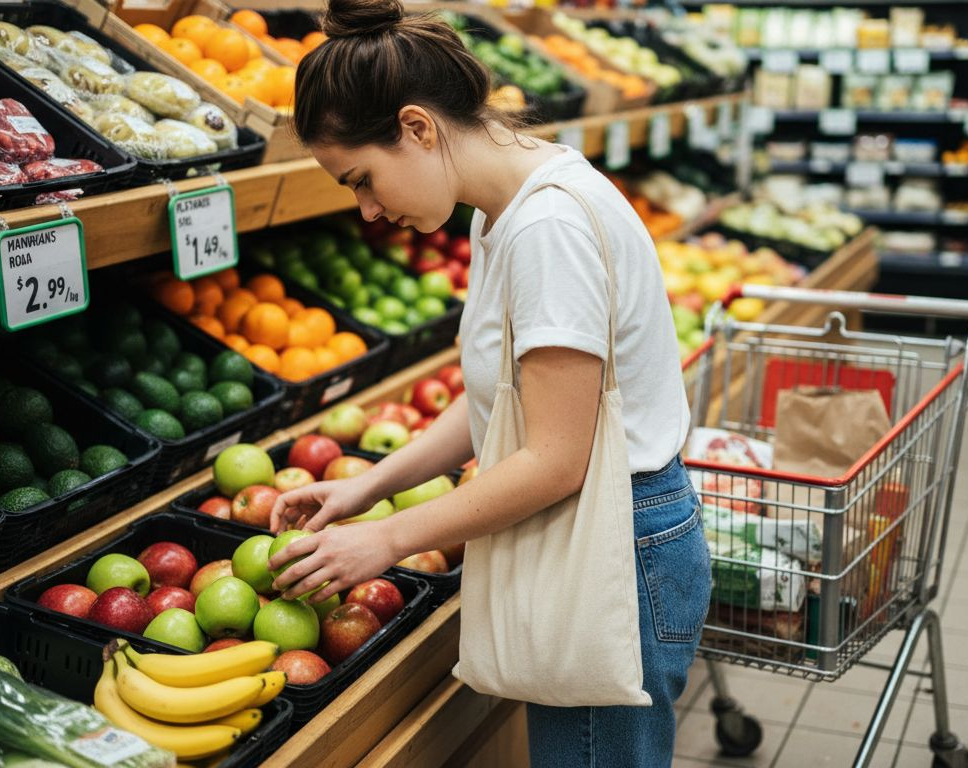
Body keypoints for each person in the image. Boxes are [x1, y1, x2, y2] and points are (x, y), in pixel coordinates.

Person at [267, 0, 710, 763]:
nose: (370, 209)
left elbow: (555, 458)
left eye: (362, 180)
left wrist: (389, 539)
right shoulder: (503, 208)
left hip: (616, 546)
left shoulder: (547, 231)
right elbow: (500, 406)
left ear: (417, 128)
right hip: (602, 534)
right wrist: (368, 487)